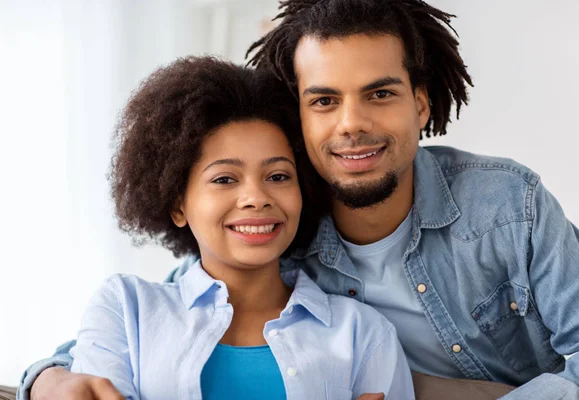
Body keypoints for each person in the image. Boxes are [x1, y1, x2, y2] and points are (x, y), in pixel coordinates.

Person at [18, 0, 579, 399]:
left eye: (379, 93)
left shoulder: (506, 204)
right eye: (323, 100)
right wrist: (48, 377)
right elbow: (152, 312)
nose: (352, 124)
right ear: (297, 116)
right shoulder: (279, 228)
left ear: (421, 105)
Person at [27, 56, 415, 400]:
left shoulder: (363, 333)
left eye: (278, 175)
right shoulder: (126, 310)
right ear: (178, 204)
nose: (256, 198)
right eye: (225, 179)